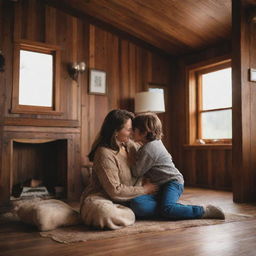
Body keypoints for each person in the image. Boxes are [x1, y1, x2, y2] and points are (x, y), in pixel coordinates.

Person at [130, 112, 225, 220]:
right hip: (160, 186)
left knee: (167, 209)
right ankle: (175, 208)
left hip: (173, 183)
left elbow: (136, 172)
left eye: (134, 129)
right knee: (137, 203)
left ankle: (203, 210)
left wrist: (131, 153)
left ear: (144, 131)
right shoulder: (152, 143)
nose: (131, 132)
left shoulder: (149, 149)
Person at [80, 109, 157, 230]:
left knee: (160, 198)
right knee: (104, 213)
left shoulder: (131, 146)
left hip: (131, 198)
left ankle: (136, 210)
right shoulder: (104, 153)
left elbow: (148, 161)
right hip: (103, 198)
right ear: (115, 131)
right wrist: (144, 189)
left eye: (132, 129)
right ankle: (135, 212)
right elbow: (114, 191)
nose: (132, 133)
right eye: (128, 129)